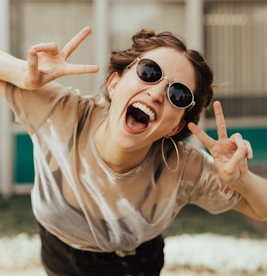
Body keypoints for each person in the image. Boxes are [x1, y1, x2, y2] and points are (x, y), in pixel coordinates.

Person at [0, 27, 266, 276]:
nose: (157, 94)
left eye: (179, 95)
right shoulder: (59, 113)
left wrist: (241, 180)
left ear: (175, 127)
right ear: (114, 84)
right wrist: (21, 73)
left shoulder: (181, 166)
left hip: (136, 266)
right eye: (149, 73)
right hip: (59, 257)